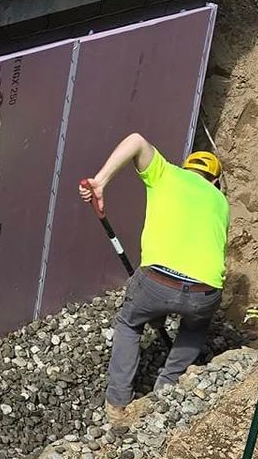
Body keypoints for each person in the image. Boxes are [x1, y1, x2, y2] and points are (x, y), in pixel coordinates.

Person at [79, 136, 228, 420]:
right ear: (216, 182)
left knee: (129, 324)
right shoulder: (221, 202)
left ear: (185, 168)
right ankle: (166, 390)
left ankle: (118, 404)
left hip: (157, 282)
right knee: (195, 329)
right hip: (205, 290)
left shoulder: (167, 174)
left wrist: (100, 181)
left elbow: (136, 140)